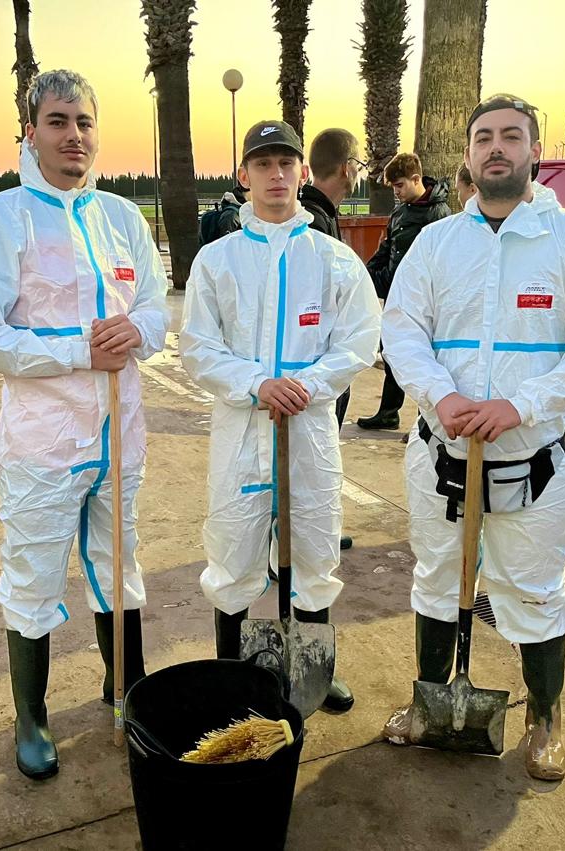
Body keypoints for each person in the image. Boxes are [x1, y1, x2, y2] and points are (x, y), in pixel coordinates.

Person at [380, 94, 565, 781]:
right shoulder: (436, 242)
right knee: (434, 579)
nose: (496, 147)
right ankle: (428, 701)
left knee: (534, 591)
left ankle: (545, 720)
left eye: (511, 136)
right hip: (441, 457)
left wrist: (521, 405)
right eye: (483, 136)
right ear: (466, 155)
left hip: (535, 463)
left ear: (533, 152)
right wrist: (440, 393)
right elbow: (402, 329)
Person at [0, 70, 169, 780]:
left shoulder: (123, 217)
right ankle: (32, 715)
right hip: (42, 443)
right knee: (33, 574)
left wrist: (134, 334)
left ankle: (126, 689)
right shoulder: (1, 219)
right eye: (57, 121)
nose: (72, 135)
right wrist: (79, 348)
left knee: (120, 567)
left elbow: (157, 314)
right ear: (31, 132)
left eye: (83, 120)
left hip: (119, 436)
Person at [180, 120, 380, 713]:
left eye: (285, 163)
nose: (275, 174)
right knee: (234, 546)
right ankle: (230, 673)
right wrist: (255, 384)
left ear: (301, 173)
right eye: (262, 164)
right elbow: (198, 346)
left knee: (314, 545)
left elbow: (358, 341)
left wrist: (306, 386)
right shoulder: (217, 261)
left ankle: (313, 666)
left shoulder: (335, 261)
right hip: (241, 430)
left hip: (309, 428)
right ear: (243, 176)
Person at [300, 127, 367, 551]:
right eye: (358, 165)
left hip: (320, 361)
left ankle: (303, 531)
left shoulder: (318, 214)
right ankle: (299, 536)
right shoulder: (315, 220)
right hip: (316, 363)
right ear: (346, 169)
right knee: (312, 449)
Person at [357, 152, 451, 432]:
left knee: (423, 357)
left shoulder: (438, 214)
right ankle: (388, 412)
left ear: (416, 179)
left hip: (424, 296)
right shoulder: (401, 211)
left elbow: (439, 260)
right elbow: (387, 247)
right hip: (399, 291)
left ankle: (425, 420)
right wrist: (368, 275)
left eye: (399, 186)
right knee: (393, 352)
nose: (396, 192)